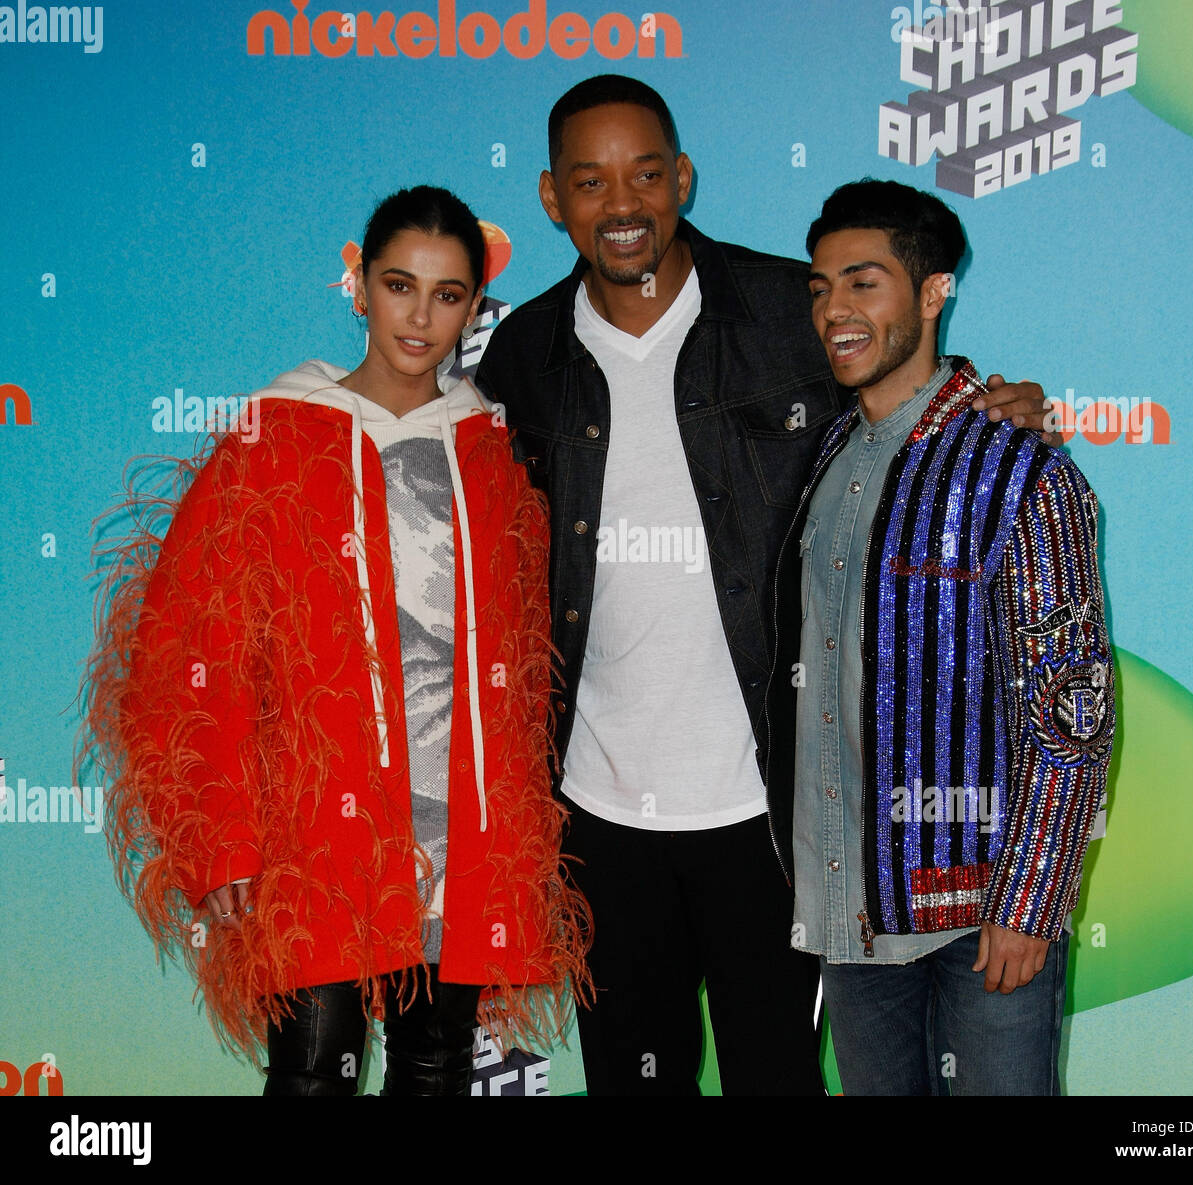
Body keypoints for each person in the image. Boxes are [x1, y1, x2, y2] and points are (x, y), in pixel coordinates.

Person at [474, 74, 1057, 1096]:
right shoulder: (524, 354)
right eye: (591, 180)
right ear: (550, 198)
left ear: (683, 180)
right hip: (600, 815)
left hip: (775, 812)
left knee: (777, 1079)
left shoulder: (785, 310)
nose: (623, 204)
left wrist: (989, 401)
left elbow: (899, 386)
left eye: (646, 173)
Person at [80, 185, 590, 1096]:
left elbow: (520, 664)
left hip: (457, 830)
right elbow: (191, 638)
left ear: (476, 306)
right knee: (312, 1072)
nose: (420, 316)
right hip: (314, 826)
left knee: (435, 1072)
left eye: (447, 294)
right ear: (358, 285)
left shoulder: (489, 450)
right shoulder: (276, 434)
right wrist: (222, 835)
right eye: (400, 285)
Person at [762, 178, 1114, 1095]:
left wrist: (1032, 903)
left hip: (981, 921)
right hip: (851, 914)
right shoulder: (823, 458)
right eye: (820, 286)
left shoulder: (1019, 470)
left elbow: (1070, 713)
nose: (835, 309)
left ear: (932, 293)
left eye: (864, 282)